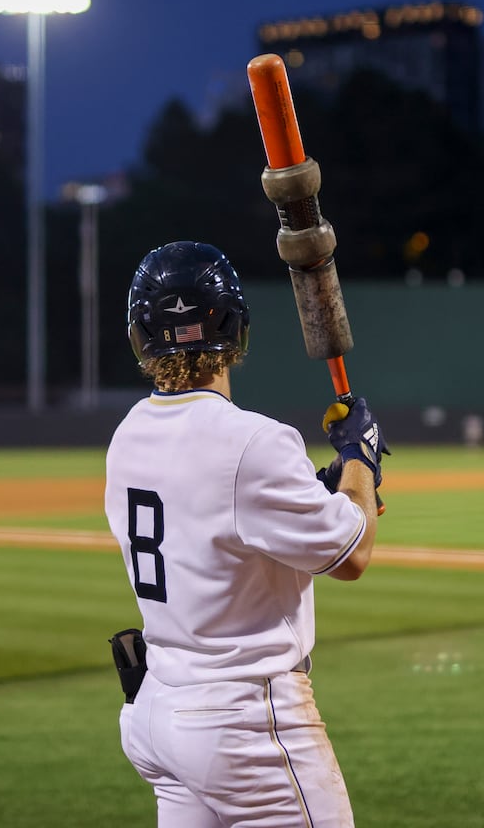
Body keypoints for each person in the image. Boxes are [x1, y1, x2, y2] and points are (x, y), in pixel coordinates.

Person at [104, 241, 385, 827]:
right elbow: (352, 553)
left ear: (141, 335)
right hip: (243, 725)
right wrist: (361, 457)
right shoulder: (253, 441)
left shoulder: (127, 436)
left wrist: (313, 491)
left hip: (158, 713)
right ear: (234, 329)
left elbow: (214, 515)